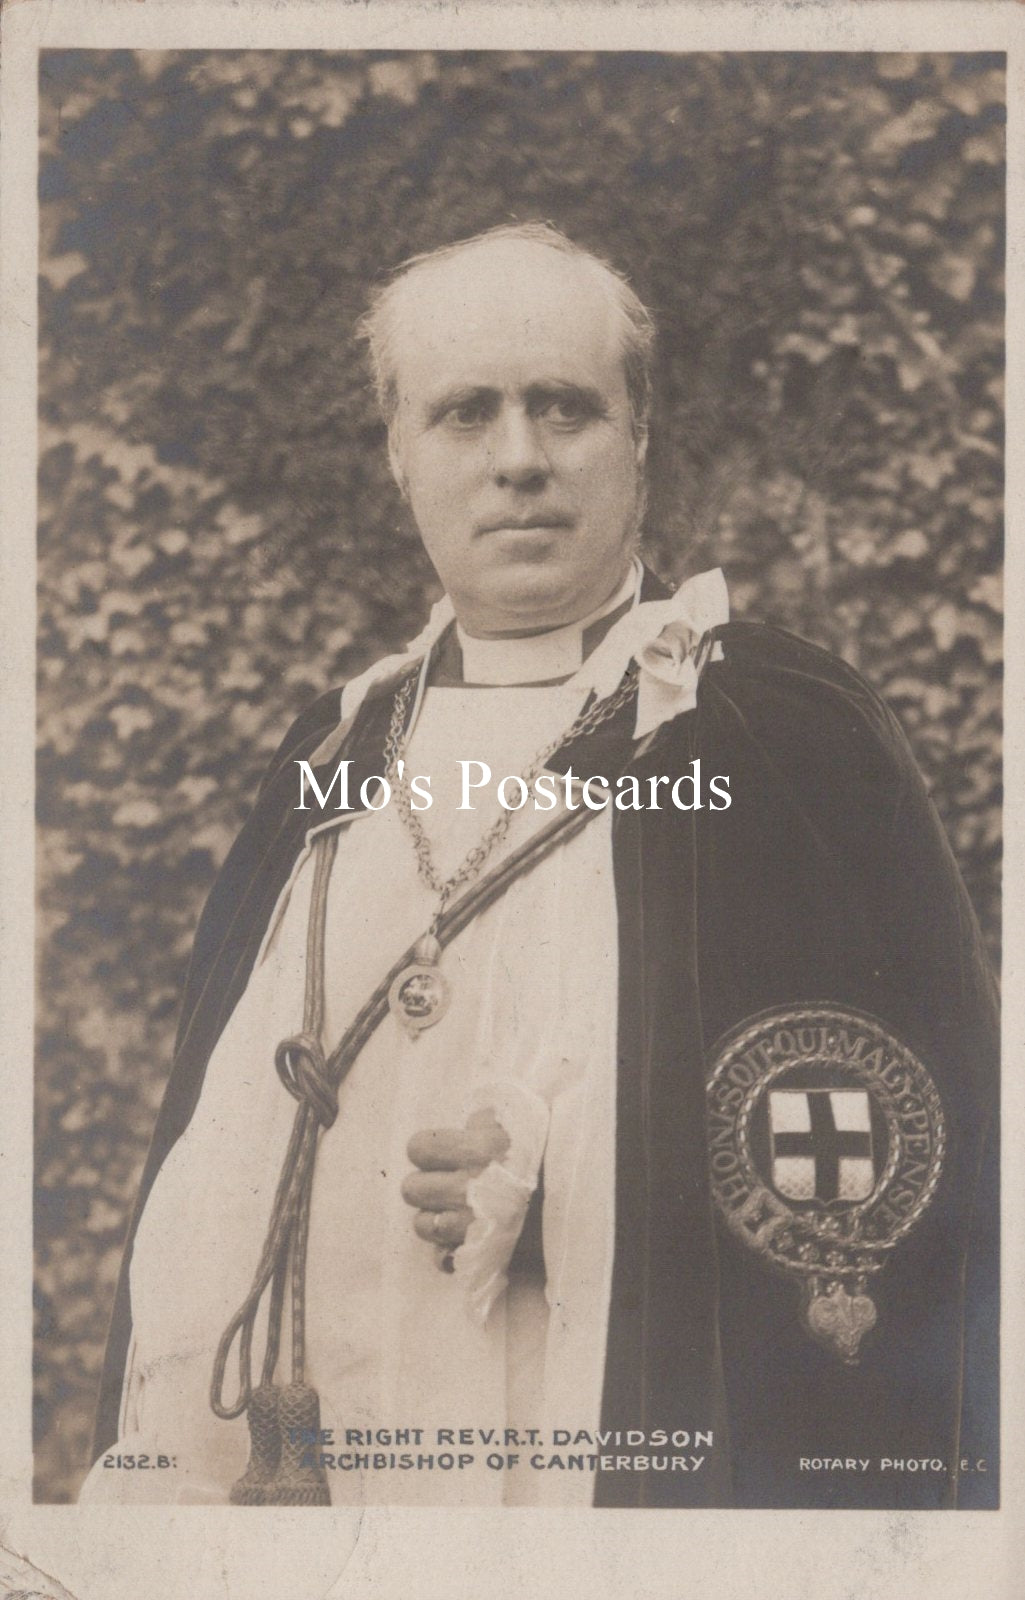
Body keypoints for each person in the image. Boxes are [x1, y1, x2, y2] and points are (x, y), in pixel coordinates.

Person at [82, 223, 998, 1511]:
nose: (519, 458)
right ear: (399, 453)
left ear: (640, 438)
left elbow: (904, 1150)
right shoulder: (334, 747)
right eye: (465, 413)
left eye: (564, 406)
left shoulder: (779, 731)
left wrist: (575, 1189)